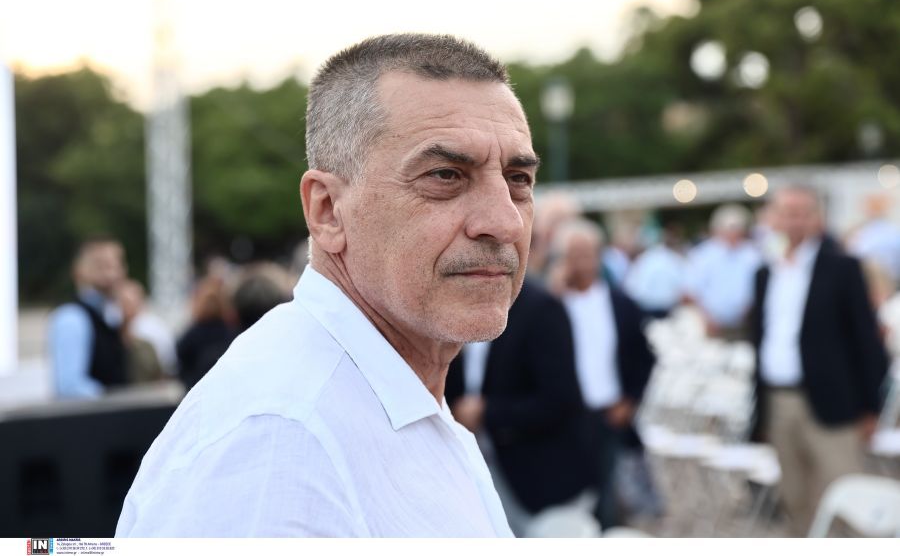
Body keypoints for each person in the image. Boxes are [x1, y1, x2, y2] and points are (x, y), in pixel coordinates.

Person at [117, 33, 538, 537]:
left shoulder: (372, 399)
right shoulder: (281, 441)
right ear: (327, 210)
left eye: (518, 179)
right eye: (446, 175)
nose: (505, 221)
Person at [749, 185, 890, 536]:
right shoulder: (766, 271)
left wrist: (870, 407)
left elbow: (866, 340)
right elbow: (761, 336)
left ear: (817, 218)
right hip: (778, 398)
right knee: (794, 496)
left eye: (802, 213)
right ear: (774, 219)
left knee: (842, 494)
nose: (794, 221)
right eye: (787, 213)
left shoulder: (842, 268)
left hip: (833, 402)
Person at [445, 277, 590, 535]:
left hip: (541, 478)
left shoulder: (541, 308)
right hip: (478, 473)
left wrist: (486, 412)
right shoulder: (454, 304)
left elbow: (559, 400)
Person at [553, 218, 656, 529]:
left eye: (587, 253)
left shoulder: (621, 303)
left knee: (608, 498)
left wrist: (630, 400)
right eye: (574, 255)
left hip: (610, 412)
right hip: (566, 416)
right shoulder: (553, 305)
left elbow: (644, 358)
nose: (582, 262)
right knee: (569, 495)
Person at [47, 237, 129, 398]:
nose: (113, 273)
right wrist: (111, 399)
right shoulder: (71, 317)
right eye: (102, 265)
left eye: (118, 264)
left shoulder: (111, 315)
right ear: (79, 270)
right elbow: (69, 387)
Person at [684, 204, 761, 340]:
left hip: (747, 324)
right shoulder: (702, 255)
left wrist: (750, 312)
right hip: (710, 325)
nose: (733, 233)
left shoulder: (753, 254)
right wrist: (706, 318)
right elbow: (690, 292)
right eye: (729, 228)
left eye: (737, 228)